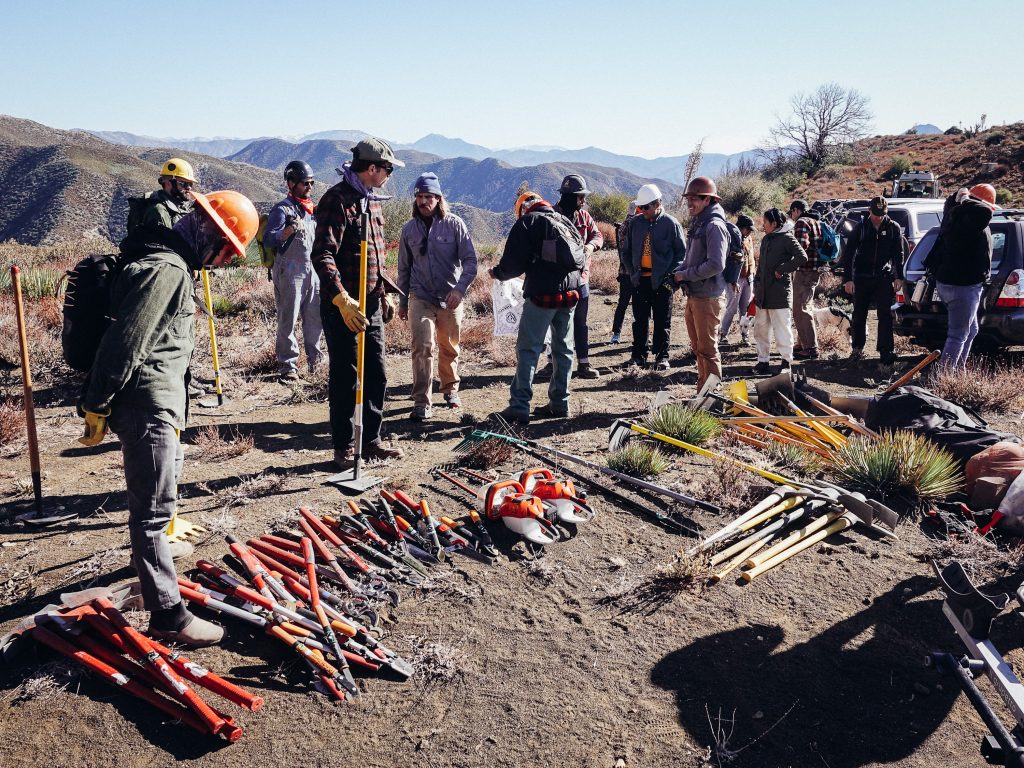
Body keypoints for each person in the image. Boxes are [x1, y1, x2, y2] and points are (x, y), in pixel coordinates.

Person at [78, 190, 259, 647]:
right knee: (151, 514)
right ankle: (168, 614)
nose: (219, 265)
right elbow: (128, 341)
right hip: (147, 404)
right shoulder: (168, 269)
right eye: (225, 254)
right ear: (212, 234)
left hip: (159, 400)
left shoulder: (161, 257)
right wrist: (96, 402)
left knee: (159, 502)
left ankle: (153, 568)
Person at [311, 138, 405, 468]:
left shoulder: (373, 202)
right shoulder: (337, 200)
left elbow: (375, 256)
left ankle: (372, 440)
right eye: (388, 169)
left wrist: (386, 290)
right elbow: (322, 254)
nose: (390, 175)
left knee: (376, 373)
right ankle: (343, 445)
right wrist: (341, 297)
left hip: (372, 302)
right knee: (346, 375)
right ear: (372, 168)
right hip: (343, 307)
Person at [489, 192, 586, 425]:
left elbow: (513, 263)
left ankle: (519, 406)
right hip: (571, 295)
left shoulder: (527, 223)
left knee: (528, 350)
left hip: (542, 295)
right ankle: (560, 403)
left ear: (524, 209)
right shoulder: (565, 221)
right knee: (563, 349)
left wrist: (498, 273)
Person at [397, 172, 478, 420]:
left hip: (450, 297)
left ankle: (450, 389)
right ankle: (421, 401)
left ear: (438, 198)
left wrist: (460, 290)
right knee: (422, 347)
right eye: (419, 197)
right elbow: (403, 268)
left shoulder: (455, 225)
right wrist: (402, 301)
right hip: (420, 296)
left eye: (428, 196)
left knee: (449, 346)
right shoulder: (409, 229)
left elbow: (471, 261)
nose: (423, 201)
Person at [923, 183, 996, 369]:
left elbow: (952, 202)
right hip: (963, 287)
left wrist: (962, 196)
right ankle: (945, 379)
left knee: (971, 330)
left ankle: (957, 373)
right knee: (958, 335)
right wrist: (966, 198)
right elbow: (985, 212)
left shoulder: (954, 215)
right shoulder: (971, 219)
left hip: (954, 284)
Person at [264, 160, 323, 382]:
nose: (309, 187)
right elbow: (269, 239)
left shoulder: (311, 210)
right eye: (305, 183)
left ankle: (315, 363)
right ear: (291, 183)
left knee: (314, 318)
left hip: (313, 271)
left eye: (311, 182)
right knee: (287, 319)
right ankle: (288, 366)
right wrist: (286, 232)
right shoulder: (282, 209)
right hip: (289, 270)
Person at [621, 183, 686, 370]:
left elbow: (681, 255)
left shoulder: (671, 224)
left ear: (657, 203)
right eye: (640, 208)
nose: (642, 211)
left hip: (662, 282)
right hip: (640, 280)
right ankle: (638, 356)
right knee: (640, 320)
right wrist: (632, 272)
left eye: (646, 207)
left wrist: (671, 278)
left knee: (662, 321)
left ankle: (661, 356)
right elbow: (625, 251)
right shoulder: (635, 223)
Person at [674, 176, 728, 388]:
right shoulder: (700, 222)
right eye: (689, 198)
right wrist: (679, 271)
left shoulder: (714, 225)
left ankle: (713, 396)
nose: (690, 202)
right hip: (696, 294)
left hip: (708, 297)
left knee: (707, 348)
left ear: (708, 200)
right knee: (698, 347)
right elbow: (692, 257)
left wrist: (685, 275)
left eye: (695, 198)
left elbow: (716, 264)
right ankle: (703, 390)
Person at [839, 196, 907, 368]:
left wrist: (898, 277)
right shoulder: (860, 228)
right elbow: (848, 256)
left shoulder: (893, 228)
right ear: (869, 211)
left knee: (885, 314)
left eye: (882, 214)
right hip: (861, 277)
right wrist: (848, 279)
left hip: (883, 276)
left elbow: (898, 255)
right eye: (876, 214)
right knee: (859, 314)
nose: (878, 217)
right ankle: (857, 349)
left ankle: (886, 351)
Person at [553, 174, 603, 378]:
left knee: (580, 323)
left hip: (581, 280)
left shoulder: (584, 217)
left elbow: (597, 235)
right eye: (581, 197)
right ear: (571, 197)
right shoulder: (552, 216)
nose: (583, 201)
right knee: (556, 324)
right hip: (558, 282)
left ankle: (583, 363)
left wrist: (591, 246)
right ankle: (553, 364)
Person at [751, 207, 808, 375]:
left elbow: (801, 257)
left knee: (782, 329)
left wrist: (782, 269)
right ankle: (763, 362)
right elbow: (761, 266)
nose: (763, 225)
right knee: (760, 330)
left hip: (779, 293)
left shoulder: (787, 238)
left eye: (765, 222)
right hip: (763, 294)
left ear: (774, 223)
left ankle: (786, 362)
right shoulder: (766, 239)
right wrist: (756, 285)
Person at [789, 199, 824, 360]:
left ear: (796, 210)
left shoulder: (802, 222)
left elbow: (800, 247)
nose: (791, 217)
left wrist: (787, 265)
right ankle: (801, 343)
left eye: (791, 213)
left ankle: (810, 348)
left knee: (801, 309)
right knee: (804, 306)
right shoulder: (815, 221)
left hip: (804, 271)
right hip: (814, 270)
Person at [719, 213, 756, 346]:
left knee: (745, 309)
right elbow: (731, 261)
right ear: (742, 228)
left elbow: (751, 259)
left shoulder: (748, 238)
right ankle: (723, 335)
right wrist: (733, 280)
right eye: (748, 229)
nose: (750, 231)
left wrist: (753, 276)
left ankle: (744, 335)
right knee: (732, 308)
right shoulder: (732, 238)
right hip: (736, 278)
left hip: (748, 277)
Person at [611, 201, 640, 344]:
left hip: (630, 273)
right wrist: (631, 215)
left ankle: (622, 333)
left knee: (630, 304)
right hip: (628, 273)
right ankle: (617, 332)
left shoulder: (631, 226)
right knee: (625, 303)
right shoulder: (627, 226)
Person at [142, 158, 197, 229]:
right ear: (168, 183)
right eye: (183, 184)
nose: (189, 188)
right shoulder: (158, 211)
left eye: (190, 184)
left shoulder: (181, 205)